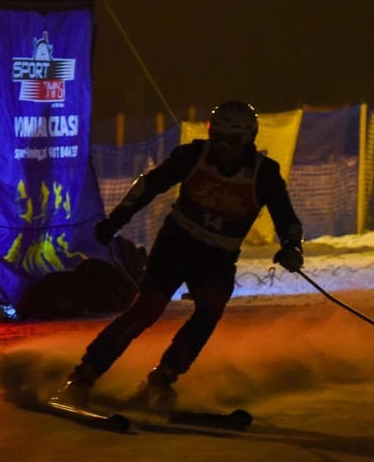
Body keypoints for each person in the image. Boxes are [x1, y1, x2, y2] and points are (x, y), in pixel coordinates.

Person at [52, 101, 304, 409]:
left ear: (248, 139)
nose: (223, 149)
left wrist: (292, 246)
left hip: (218, 256)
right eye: (218, 140)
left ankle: (162, 379)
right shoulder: (192, 155)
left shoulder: (264, 174)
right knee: (146, 310)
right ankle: (82, 377)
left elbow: (286, 217)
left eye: (232, 142)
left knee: (210, 308)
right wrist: (115, 221)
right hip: (177, 244)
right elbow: (149, 185)